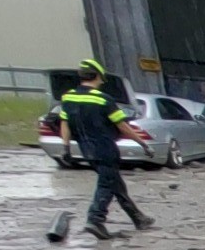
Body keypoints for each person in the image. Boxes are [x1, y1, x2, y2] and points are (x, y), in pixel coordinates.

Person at [58, 59, 153, 240]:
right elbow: (122, 126)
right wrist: (143, 143)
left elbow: (65, 123)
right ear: (98, 76)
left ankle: (139, 218)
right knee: (106, 184)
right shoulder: (103, 99)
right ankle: (95, 219)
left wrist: (65, 147)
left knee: (115, 183)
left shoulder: (68, 97)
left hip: (86, 150)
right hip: (105, 148)